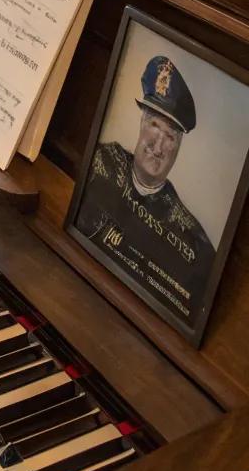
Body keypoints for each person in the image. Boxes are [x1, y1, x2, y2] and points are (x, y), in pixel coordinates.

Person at [74, 54, 216, 324]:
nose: (158, 146)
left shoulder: (194, 241)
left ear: (179, 147)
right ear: (142, 123)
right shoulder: (99, 161)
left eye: (170, 136)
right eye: (154, 125)